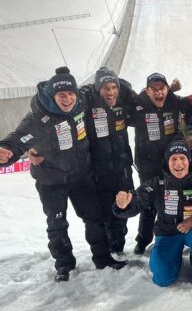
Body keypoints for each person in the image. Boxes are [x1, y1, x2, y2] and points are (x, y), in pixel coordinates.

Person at [0, 67, 125, 281]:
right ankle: (64, 265)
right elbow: (17, 139)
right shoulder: (39, 119)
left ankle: (103, 258)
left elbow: (100, 88)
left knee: (95, 218)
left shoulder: (81, 102)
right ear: (52, 95)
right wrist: (8, 151)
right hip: (51, 182)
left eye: (70, 94)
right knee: (57, 224)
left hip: (81, 176)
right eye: (61, 95)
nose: (67, 99)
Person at [114, 140, 192, 286]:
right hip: (167, 233)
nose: (178, 164)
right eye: (174, 159)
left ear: (189, 160)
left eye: (182, 158)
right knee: (162, 279)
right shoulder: (156, 184)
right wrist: (123, 206)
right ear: (167, 161)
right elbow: (137, 203)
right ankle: (165, 254)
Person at [80, 67, 135, 256]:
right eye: (105, 88)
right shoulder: (88, 102)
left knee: (124, 205)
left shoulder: (123, 100)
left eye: (114, 87)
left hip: (122, 167)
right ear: (97, 89)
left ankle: (118, 245)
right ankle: (108, 247)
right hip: (99, 169)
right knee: (105, 211)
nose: (110, 92)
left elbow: (144, 103)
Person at [129, 72, 185, 254]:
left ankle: (175, 236)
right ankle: (143, 240)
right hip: (147, 164)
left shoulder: (174, 101)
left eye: (162, 89)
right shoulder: (138, 105)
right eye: (154, 90)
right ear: (147, 91)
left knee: (173, 199)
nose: (159, 93)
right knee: (149, 201)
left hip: (171, 163)